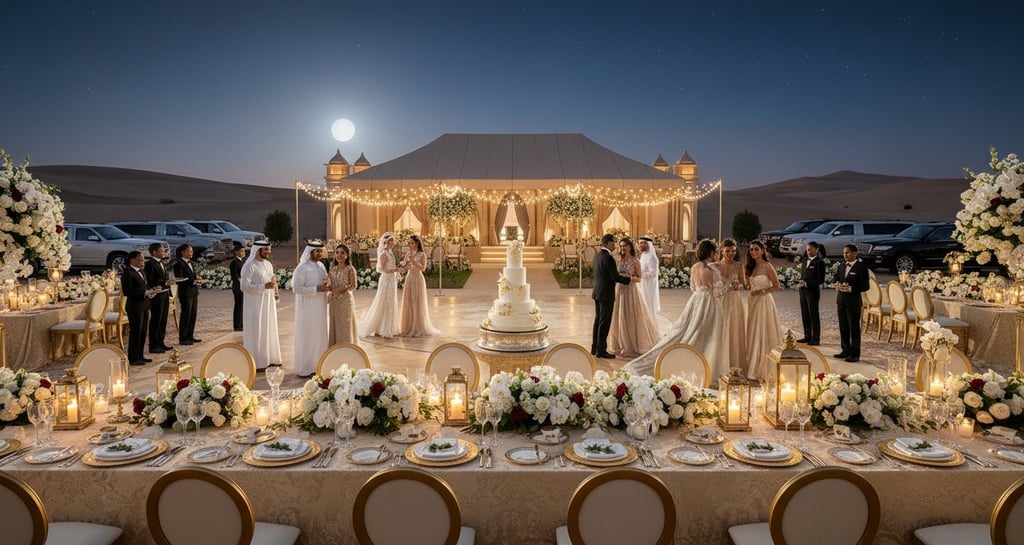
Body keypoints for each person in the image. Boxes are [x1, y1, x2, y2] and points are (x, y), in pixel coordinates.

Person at [625, 239, 728, 378]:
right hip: (709, 303)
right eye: (714, 252)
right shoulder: (712, 270)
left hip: (696, 300)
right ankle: (703, 362)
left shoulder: (694, 267)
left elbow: (693, 288)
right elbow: (717, 292)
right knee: (707, 333)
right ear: (711, 253)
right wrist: (729, 286)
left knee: (689, 328)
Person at [607, 238, 659, 358]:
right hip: (620, 290)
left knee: (631, 316)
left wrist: (629, 278)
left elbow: (639, 278)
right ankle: (620, 344)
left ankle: (631, 344)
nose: (622, 248)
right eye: (621, 246)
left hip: (630, 290)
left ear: (630, 247)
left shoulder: (635, 261)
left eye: (625, 246)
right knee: (620, 316)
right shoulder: (618, 259)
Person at [743, 240, 783, 381]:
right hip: (752, 302)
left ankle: (762, 367)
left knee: (762, 330)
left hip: (764, 302)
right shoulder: (751, 266)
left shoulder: (767, 266)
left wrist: (762, 291)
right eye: (751, 250)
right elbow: (748, 285)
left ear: (762, 251)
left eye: (756, 249)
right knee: (753, 331)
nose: (753, 252)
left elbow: (777, 286)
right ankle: (753, 363)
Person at [240, 240, 281, 370]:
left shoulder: (268, 264)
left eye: (269, 250)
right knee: (257, 331)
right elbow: (244, 286)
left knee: (269, 329)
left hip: (268, 304)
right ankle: (257, 362)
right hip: (255, 305)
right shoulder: (249, 266)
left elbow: (272, 281)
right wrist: (263, 286)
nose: (268, 252)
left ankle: (271, 358)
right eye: (266, 250)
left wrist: (275, 291)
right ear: (258, 251)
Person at [591, 233, 631, 359]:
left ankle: (595, 348)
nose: (615, 245)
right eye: (613, 242)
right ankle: (601, 350)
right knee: (604, 322)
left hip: (597, 292)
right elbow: (615, 277)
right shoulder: (608, 258)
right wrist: (629, 280)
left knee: (598, 321)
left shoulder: (598, 255)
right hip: (606, 294)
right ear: (608, 243)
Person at [292, 241, 330, 377]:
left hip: (320, 308)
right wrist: (315, 289)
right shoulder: (302, 268)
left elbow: (325, 283)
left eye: (321, 251)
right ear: (310, 252)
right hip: (307, 309)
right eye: (317, 251)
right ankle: (305, 367)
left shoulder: (321, 266)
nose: (319, 253)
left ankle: (318, 365)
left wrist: (326, 286)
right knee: (307, 337)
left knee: (319, 336)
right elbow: (296, 288)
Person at [359, 233, 401, 339]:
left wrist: (399, 269)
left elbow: (391, 265)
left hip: (391, 279)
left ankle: (388, 327)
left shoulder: (390, 252)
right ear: (385, 242)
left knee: (390, 302)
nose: (392, 243)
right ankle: (384, 329)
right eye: (390, 241)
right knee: (384, 301)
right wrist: (395, 270)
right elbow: (382, 269)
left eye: (392, 241)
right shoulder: (383, 254)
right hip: (386, 279)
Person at [835, 243, 870, 362]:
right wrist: (837, 284)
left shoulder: (861, 268)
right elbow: (837, 279)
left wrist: (851, 288)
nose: (845, 255)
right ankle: (845, 349)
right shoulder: (841, 266)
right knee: (843, 326)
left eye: (848, 253)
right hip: (841, 300)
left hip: (853, 302)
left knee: (854, 328)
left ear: (855, 253)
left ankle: (855, 354)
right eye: (844, 253)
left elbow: (866, 286)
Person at [399, 234, 439, 337]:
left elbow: (423, 268)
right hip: (409, 278)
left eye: (412, 243)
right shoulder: (408, 253)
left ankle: (418, 326)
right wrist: (403, 267)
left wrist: (414, 262)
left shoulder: (422, 254)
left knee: (417, 301)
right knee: (409, 301)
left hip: (418, 279)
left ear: (417, 243)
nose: (410, 245)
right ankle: (408, 326)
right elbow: (404, 266)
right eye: (409, 243)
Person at [717, 238, 747, 370]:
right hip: (721, 300)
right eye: (728, 251)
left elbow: (744, 284)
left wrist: (738, 286)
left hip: (735, 301)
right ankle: (720, 362)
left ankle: (735, 363)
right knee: (721, 328)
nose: (731, 254)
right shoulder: (716, 266)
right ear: (722, 250)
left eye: (733, 251)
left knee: (734, 330)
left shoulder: (739, 266)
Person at [121, 250, 154, 366]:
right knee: (136, 332)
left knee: (143, 331)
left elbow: (145, 286)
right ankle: (133, 357)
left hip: (144, 305)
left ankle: (140, 355)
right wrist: (143, 293)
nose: (143, 262)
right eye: (140, 260)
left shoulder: (142, 272)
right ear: (132, 260)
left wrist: (150, 292)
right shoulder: (128, 273)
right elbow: (127, 291)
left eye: (143, 260)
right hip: (135, 306)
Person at [172, 244, 203, 345]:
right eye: (189, 251)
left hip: (193, 291)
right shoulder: (178, 264)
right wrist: (192, 281)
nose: (191, 253)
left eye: (192, 251)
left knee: (193, 314)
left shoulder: (191, 263)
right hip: (185, 292)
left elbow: (192, 276)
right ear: (183, 252)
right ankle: (183, 338)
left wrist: (197, 280)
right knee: (186, 314)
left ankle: (190, 335)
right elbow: (179, 279)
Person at [144, 242, 172, 354]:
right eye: (161, 250)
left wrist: (169, 282)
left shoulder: (162, 262)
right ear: (154, 252)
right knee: (156, 320)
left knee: (163, 320)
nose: (163, 252)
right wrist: (164, 282)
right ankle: (153, 345)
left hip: (165, 293)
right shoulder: (150, 264)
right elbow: (150, 280)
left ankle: (161, 342)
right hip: (156, 296)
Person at [328, 243, 358, 345]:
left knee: (345, 326)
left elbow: (353, 286)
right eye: (337, 253)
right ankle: (335, 349)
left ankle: (346, 348)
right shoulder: (333, 268)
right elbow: (330, 284)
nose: (339, 255)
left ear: (347, 255)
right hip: (334, 301)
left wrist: (342, 289)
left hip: (345, 302)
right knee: (335, 325)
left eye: (342, 253)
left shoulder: (350, 269)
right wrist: (330, 289)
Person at [796, 241, 826, 345]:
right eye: (807, 249)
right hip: (802, 291)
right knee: (805, 313)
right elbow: (803, 275)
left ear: (816, 250)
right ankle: (807, 335)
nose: (808, 251)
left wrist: (807, 283)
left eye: (810, 249)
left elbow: (820, 280)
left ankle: (816, 338)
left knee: (813, 314)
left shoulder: (820, 262)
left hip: (812, 292)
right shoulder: (804, 260)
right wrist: (799, 281)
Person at [637, 236, 661, 330]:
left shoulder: (651, 257)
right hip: (642, 284)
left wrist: (640, 274)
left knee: (648, 306)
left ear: (649, 245)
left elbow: (653, 273)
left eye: (644, 243)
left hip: (648, 286)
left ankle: (651, 328)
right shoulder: (643, 255)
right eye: (640, 243)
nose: (641, 245)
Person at [229, 243, 246, 331]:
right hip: (237, 286)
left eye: (244, 251)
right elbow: (234, 276)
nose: (243, 253)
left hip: (243, 286)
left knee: (243, 306)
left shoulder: (244, 261)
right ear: (236, 252)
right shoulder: (234, 263)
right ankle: (237, 325)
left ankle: (242, 323)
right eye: (241, 251)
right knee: (238, 305)